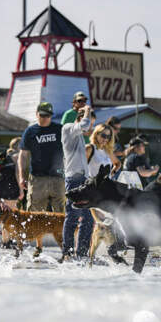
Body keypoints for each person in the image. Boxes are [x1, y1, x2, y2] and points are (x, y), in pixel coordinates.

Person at [60, 106, 96, 261]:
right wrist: (87, 110)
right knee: (73, 217)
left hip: (82, 179)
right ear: (81, 117)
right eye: (91, 124)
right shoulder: (68, 128)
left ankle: (81, 254)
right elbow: (84, 125)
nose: (91, 128)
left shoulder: (79, 136)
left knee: (88, 218)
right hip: (74, 179)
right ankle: (67, 253)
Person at [18, 102, 65, 212]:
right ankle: (34, 230)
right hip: (38, 178)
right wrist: (21, 176)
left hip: (58, 177)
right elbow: (23, 155)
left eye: (47, 115)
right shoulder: (30, 132)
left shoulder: (59, 129)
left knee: (61, 214)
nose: (45, 118)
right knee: (34, 213)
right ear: (36, 114)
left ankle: (60, 230)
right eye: (42, 115)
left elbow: (71, 149)